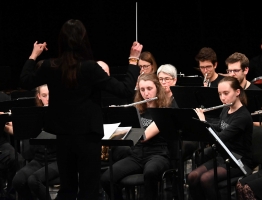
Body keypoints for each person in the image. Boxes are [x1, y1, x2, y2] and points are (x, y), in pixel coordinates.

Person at [19, 19, 143, 200]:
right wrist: (133, 60)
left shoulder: (50, 66)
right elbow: (124, 90)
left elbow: (25, 80)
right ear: (84, 41)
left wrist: (33, 55)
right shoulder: (90, 68)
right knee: (89, 190)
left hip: (63, 136)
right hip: (87, 137)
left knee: (67, 188)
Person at [100, 73, 172, 200]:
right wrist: (115, 116)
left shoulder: (164, 112)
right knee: (106, 178)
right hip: (136, 155)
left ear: (157, 89)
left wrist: (124, 125)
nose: (146, 93)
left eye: (149, 89)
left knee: (150, 172)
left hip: (157, 154)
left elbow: (144, 136)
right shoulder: (137, 111)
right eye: (142, 90)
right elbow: (120, 136)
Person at [187, 76, 254, 200]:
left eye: (226, 93)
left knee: (205, 179)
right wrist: (204, 121)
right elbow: (219, 125)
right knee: (192, 176)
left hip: (238, 161)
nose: (222, 98)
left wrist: (203, 123)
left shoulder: (243, 116)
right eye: (220, 94)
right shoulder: (226, 108)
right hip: (223, 157)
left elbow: (220, 137)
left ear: (237, 92)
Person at [12, 84, 59, 200]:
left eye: (50, 95)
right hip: (39, 159)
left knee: (33, 180)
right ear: (39, 96)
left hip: (58, 160)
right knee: (18, 180)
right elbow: (27, 150)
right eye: (44, 95)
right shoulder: (34, 115)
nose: (48, 98)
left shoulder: (62, 113)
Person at [0, 92, 23, 199]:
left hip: (1, 143)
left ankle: (10, 195)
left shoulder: (3, 98)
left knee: (16, 159)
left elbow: (11, 126)